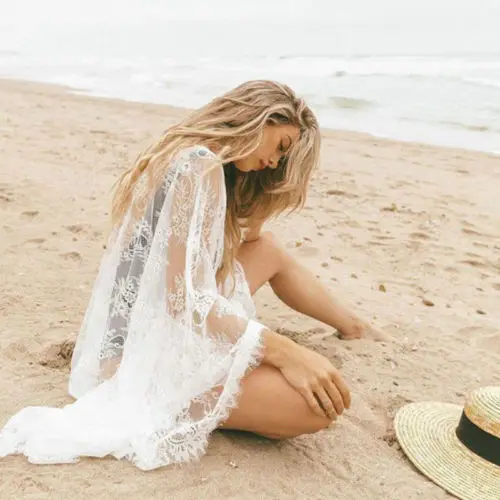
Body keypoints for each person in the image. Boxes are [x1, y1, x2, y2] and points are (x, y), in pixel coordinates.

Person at [0, 80, 387, 470]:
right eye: (280, 147)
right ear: (258, 118)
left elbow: (249, 239)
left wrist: (263, 182)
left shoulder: (210, 164)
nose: (275, 162)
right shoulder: (196, 165)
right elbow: (181, 299)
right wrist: (284, 350)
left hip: (150, 323)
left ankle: (354, 327)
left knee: (268, 250)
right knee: (312, 409)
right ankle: (177, 402)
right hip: (137, 353)